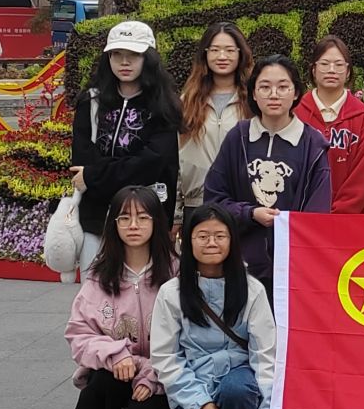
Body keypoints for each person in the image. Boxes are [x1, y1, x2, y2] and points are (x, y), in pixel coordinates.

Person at [149, 204, 276, 409]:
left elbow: (266, 356)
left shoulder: (252, 289)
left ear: (232, 240)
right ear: (188, 240)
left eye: (220, 236)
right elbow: (165, 358)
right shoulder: (171, 292)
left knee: (237, 388)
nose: (211, 243)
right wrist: (200, 403)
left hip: (239, 380)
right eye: (203, 236)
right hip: (194, 380)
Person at [65, 185, 177, 409]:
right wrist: (115, 353)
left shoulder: (176, 272)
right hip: (116, 370)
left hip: (161, 374)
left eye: (143, 217)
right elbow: (78, 333)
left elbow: (190, 336)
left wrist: (151, 374)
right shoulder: (100, 275)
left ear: (157, 221)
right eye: (124, 218)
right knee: (102, 379)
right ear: (113, 224)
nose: (133, 225)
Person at [203, 54, 333, 296]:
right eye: (265, 87)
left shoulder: (312, 145)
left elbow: (318, 215)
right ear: (253, 93)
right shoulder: (238, 138)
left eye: (283, 87)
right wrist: (250, 214)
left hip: (294, 268)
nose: (274, 94)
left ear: (296, 93)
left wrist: (288, 226)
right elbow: (213, 200)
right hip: (240, 263)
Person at [69, 21, 182, 267]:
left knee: (146, 286)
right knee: (96, 286)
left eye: (133, 55)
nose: (124, 62)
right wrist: (103, 173)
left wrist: (94, 176)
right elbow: (82, 160)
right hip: (97, 220)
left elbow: (152, 163)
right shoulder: (91, 102)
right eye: (116, 54)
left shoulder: (163, 106)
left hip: (146, 218)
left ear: (148, 58)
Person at [296, 35, 364, 214]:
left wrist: (337, 215)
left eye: (339, 65)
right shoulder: (295, 113)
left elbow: (363, 176)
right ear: (314, 69)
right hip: (303, 217)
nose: (331, 70)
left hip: (349, 219)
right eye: (324, 64)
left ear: (348, 72)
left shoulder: (362, 117)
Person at [177, 22, 253, 211]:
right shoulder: (188, 101)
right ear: (205, 54)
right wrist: (177, 210)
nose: (222, 56)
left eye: (229, 50)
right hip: (196, 203)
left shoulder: (254, 101)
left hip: (241, 205)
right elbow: (174, 157)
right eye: (215, 50)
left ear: (240, 54)